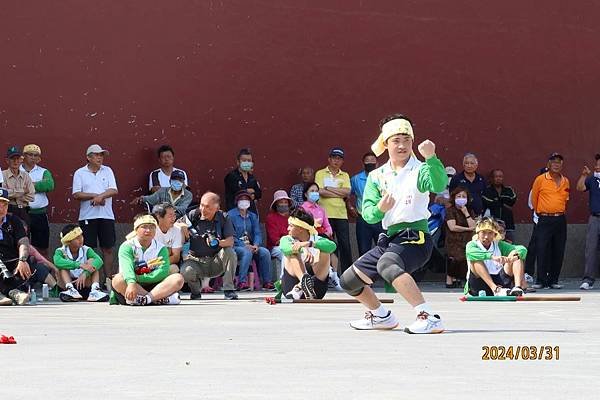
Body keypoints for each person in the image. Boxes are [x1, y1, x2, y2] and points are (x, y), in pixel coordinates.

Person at [339, 114, 447, 333]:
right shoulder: (377, 175)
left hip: (415, 236)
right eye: (396, 140)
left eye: (407, 140)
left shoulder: (421, 169)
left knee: (387, 266)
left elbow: (439, 184)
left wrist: (432, 158)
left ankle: (428, 317)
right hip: (388, 240)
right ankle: (381, 316)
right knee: (349, 280)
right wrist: (380, 209)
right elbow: (368, 214)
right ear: (386, 143)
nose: (402, 145)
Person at [110, 214, 184, 305]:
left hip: (155, 286)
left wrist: (140, 277)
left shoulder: (161, 248)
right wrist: (132, 282)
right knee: (118, 280)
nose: (148, 230)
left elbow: (163, 271)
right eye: (144, 227)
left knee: (178, 278)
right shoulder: (127, 246)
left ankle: (147, 299)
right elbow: (127, 268)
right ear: (136, 230)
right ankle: (158, 299)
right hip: (132, 285)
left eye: (152, 227)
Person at [72, 144, 118, 281]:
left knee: (108, 248)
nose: (100, 157)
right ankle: (91, 280)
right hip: (87, 216)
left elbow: (114, 190)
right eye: (96, 155)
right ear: (88, 157)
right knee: (89, 249)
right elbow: (76, 194)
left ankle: (108, 280)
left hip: (106, 215)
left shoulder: (108, 170)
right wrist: (94, 196)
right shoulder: (80, 172)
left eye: (101, 155)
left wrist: (101, 197)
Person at [181, 192, 238, 300]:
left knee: (230, 252)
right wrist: (182, 226)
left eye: (208, 207)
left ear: (217, 208)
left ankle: (229, 290)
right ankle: (195, 291)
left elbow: (230, 241)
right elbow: (176, 223)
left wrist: (217, 242)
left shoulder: (223, 217)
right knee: (186, 271)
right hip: (196, 260)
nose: (203, 209)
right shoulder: (193, 215)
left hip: (215, 261)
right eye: (202, 205)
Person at [531, 153, 570, 289]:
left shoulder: (566, 181)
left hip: (560, 219)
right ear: (548, 164)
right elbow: (534, 198)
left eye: (559, 162)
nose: (556, 164)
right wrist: (540, 211)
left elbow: (566, 199)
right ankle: (541, 280)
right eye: (553, 162)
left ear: (562, 165)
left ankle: (554, 280)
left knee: (559, 249)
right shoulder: (540, 179)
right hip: (545, 218)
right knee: (542, 248)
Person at [280, 208, 337, 299]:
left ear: (300, 228)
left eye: (291, 226)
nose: (288, 228)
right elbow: (285, 248)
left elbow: (332, 246)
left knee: (325, 251)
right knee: (292, 252)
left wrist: (310, 244)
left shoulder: (316, 239)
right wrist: (303, 249)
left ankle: (303, 286)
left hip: (316, 289)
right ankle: (302, 284)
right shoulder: (287, 239)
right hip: (291, 289)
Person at [465, 218, 527, 296]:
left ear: (494, 234)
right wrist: (492, 257)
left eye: (490, 233)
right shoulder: (472, 244)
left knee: (516, 254)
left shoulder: (499, 244)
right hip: (479, 283)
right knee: (475, 260)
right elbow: (472, 253)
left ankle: (518, 288)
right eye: (483, 233)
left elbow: (522, 249)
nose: (486, 237)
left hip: (499, 280)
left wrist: (512, 258)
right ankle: (495, 289)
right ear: (478, 233)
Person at [315, 147, 352, 275]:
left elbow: (347, 192)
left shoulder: (345, 175)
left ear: (342, 161)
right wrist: (339, 193)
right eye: (334, 158)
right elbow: (320, 192)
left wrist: (329, 188)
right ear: (329, 159)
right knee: (328, 244)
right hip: (325, 215)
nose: (336, 161)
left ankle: (347, 274)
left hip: (341, 215)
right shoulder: (320, 173)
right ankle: (329, 274)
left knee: (345, 245)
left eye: (339, 159)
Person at [228, 191, 274, 290]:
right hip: (235, 246)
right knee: (247, 252)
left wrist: (256, 245)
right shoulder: (230, 215)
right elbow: (231, 235)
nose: (244, 202)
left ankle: (267, 282)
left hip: (251, 245)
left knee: (265, 252)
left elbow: (257, 233)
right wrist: (244, 246)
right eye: (241, 200)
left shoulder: (252, 216)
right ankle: (242, 282)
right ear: (237, 202)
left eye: (246, 200)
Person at [53, 224, 108, 302]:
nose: (81, 239)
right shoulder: (61, 251)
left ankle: (95, 290)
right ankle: (70, 290)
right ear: (68, 241)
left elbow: (99, 260)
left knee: (92, 262)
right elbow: (57, 261)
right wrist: (79, 265)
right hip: (68, 283)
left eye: (81, 236)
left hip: (84, 282)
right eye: (77, 238)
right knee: (61, 268)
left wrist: (85, 274)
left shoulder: (86, 249)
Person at [20, 144, 54, 256]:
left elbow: (49, 185)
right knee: (21, 246)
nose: (33, 157)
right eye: (30, 155)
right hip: (20, 213)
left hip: (39, 214)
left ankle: (43, 271)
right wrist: (38, 185)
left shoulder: (44, 172)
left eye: (36, 155)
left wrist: (27, 186)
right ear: (24, 156)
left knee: (42, 248)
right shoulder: (16, 170)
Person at [0, 188, 32, 306]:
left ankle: (9, 292)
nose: (1, 209)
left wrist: (22, 259)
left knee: (28, 263)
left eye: (4, 205)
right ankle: (12, 292)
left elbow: (23, 241)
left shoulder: (14, 220)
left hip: (10, 259)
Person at [349, 152, 384, 256]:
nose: (370, 165)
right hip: (362, 219)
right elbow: (347, 194)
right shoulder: (356, 179)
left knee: (383, 250)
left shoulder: (383, 178)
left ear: (377, 164)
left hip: (380, 219)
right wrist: (350, 206)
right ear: (363, 164)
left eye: (372, 162)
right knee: (363, 250)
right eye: (367, 162)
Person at [444, 187, 476, 288]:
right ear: (454, 198)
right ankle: (449, 280)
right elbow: (452, 227)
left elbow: (473, 225)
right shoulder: (450, 210)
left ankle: (459, 279)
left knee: (464, 260)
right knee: (454, 259)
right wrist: (467, 229)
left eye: (464, 196)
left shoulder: (469, 210)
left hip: (466, 240)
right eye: (459, 196)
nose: (461, 198)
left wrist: (466, 213)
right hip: (453, 240)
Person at [577, 154, 600, 290]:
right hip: (595, 218)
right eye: (597, 164)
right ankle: (588, 279)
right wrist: (584, 175)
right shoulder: (591, 180)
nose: (597, 166)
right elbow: (580, 188)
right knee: (591, 249)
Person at [2, 146, 35, 224]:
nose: (15, 161)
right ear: (7, 161)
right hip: (8, 210)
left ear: (21, 160)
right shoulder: (2, 175)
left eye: (18, 159)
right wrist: (23, 191)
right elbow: (3, 194)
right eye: (13, 159)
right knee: (8, 234)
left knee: (24, 234)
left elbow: (32, 196)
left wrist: (12, 194)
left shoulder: (26, 176)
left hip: (23, 211)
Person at [482, 169, 517, 241]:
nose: (498, 178)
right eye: (496, 176)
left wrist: (497, 200)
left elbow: (513, 199)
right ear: (491, 178)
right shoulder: (487, 190)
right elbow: (489, 202)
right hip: (492, 224)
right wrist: (503, 202)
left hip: (508, 224)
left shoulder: (508, 190)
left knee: (509, 245)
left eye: (500, 176)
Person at [224, 148, 262, 213]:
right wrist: (248, 191)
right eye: (244, 160)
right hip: (235, 212)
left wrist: (254, 194)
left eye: (249, 160)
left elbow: (259, 193)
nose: (247, 162)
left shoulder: (251, 178)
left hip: (250, 213)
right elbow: (238, 192)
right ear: (238, 162)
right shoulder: (231, 176)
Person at [266, 190, 293, 278]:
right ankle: (284, 279)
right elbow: (274, 239)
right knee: (285, 253)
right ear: (276, 204)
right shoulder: (271, 218)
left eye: (285, 202)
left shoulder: (292, 217)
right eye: (281, 202)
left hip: (294, 243)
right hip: (276, 247)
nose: (284, 204)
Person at [152, 203, 184, 274]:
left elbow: (176, 257)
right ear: (159, 217)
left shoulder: (177, 230)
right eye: (170, 216)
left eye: (174, 215)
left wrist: (158, 264)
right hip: (149, 264)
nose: (173, 218)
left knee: (174, 269)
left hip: (163, 264)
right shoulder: (151, 230)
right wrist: (168, 251)